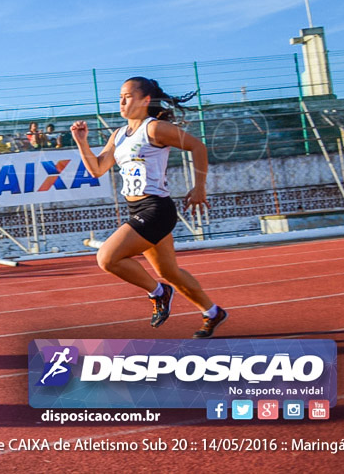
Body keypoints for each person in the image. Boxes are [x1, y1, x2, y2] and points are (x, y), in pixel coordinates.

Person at [70, 77, 227, 339]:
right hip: (137, 209)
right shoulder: (118, 135)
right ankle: (212, 313)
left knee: (107, 258)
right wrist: (81, 142)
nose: (121, 101)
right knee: (169, 272)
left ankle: (159, 292)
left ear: (145, 101)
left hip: (156, 210)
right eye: (120, 96)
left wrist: (199, 187)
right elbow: (97, 169)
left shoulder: (154, 129)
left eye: (128, 96)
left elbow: (197, 146)